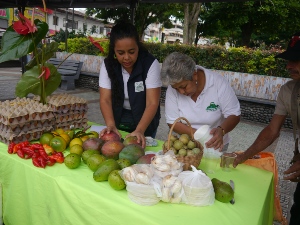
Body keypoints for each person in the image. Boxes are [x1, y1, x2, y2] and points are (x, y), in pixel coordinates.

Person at [233, 32, 300, 225]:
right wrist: (243, 156)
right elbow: (272, 130)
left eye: (295, 60)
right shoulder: (288, 91)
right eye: (289, 60)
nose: (288, 66)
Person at [99, 21, 161, 148]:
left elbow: (152, 103)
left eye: (131, 52)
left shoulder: (150, 64)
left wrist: (140, 130)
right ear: (114, 51)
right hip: (119, 118)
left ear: (138, 47)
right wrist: (110, 125)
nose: (126, 57)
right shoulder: (108, 65)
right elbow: (105, 100)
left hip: (145, 120)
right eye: (120, 53)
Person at [160, 52, 241, 151]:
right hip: (184, 145)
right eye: (176, 88)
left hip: (214, 144)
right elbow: (172, 122)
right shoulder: (172, 89)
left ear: (194, 75)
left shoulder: (217, 83)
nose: (181, 92)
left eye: (183, 86)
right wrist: (200, 136)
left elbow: (234, 114)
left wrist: (221, 130)